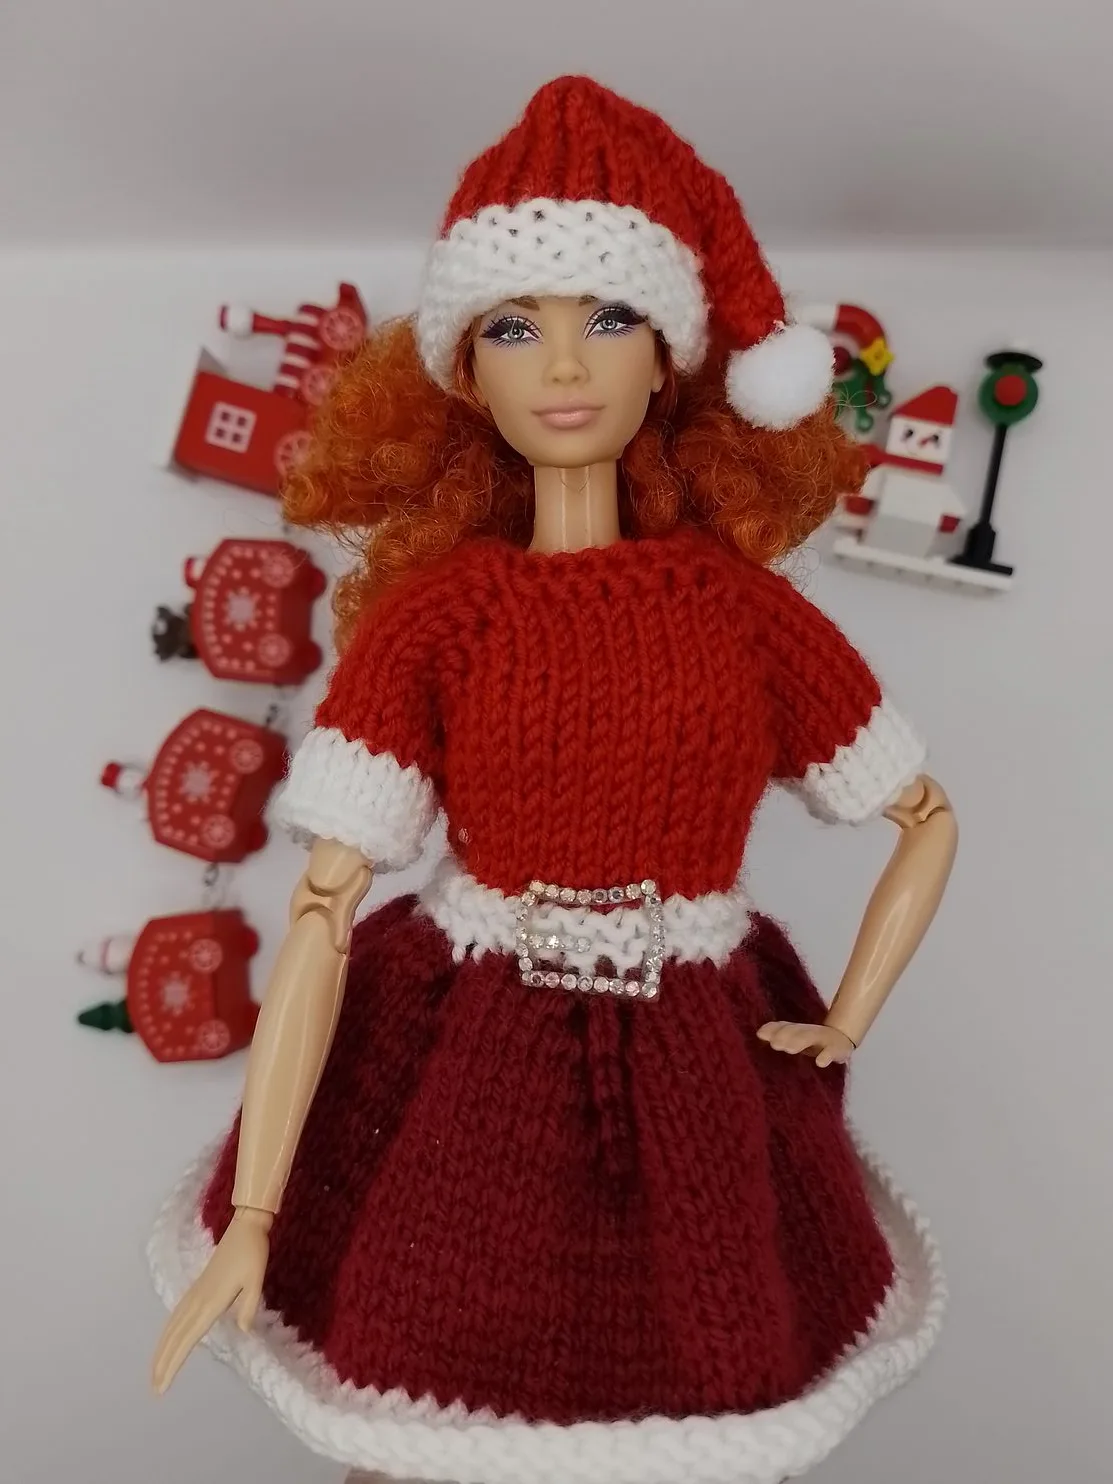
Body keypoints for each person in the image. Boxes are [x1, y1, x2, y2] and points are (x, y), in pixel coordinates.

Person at [148, 75, 956, 1484]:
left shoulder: (741, 615)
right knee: (421, 1404)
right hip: (462, 1059)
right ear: (466, 371)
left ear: (671, 364)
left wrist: (846, 1021)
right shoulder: (442, 623)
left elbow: (922, 815)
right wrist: (259, 1212)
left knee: (705, 1397)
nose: (565, 365)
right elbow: (325, 908)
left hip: (697, 1066)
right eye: (516, 326)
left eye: (612, 318)